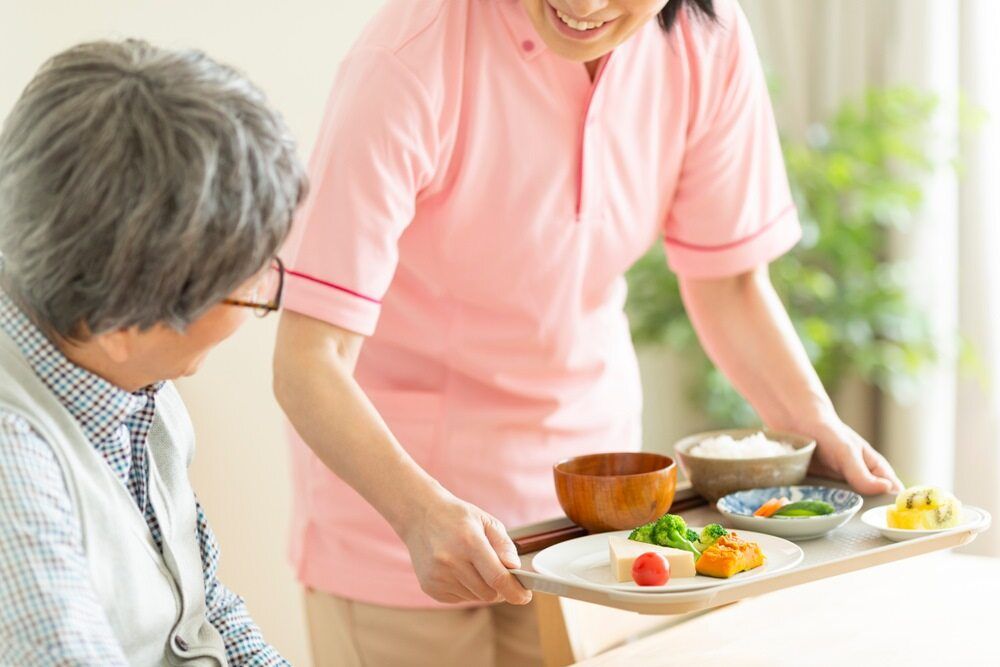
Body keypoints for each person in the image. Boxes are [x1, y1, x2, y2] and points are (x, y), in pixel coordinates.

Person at [273, 1, 904, 664]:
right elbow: (309, 361)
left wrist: (812, 423)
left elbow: (728, 283)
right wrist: (418, 512)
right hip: (398, 512)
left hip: (594, 518)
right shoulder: (410, 57)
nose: (584, 3)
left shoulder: (705, 40)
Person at [0, 40, 305, 666]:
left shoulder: (123, 372)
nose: (264, 292)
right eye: (246, 286)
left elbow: (201, 605)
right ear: (122, 318)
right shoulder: (13, 466)